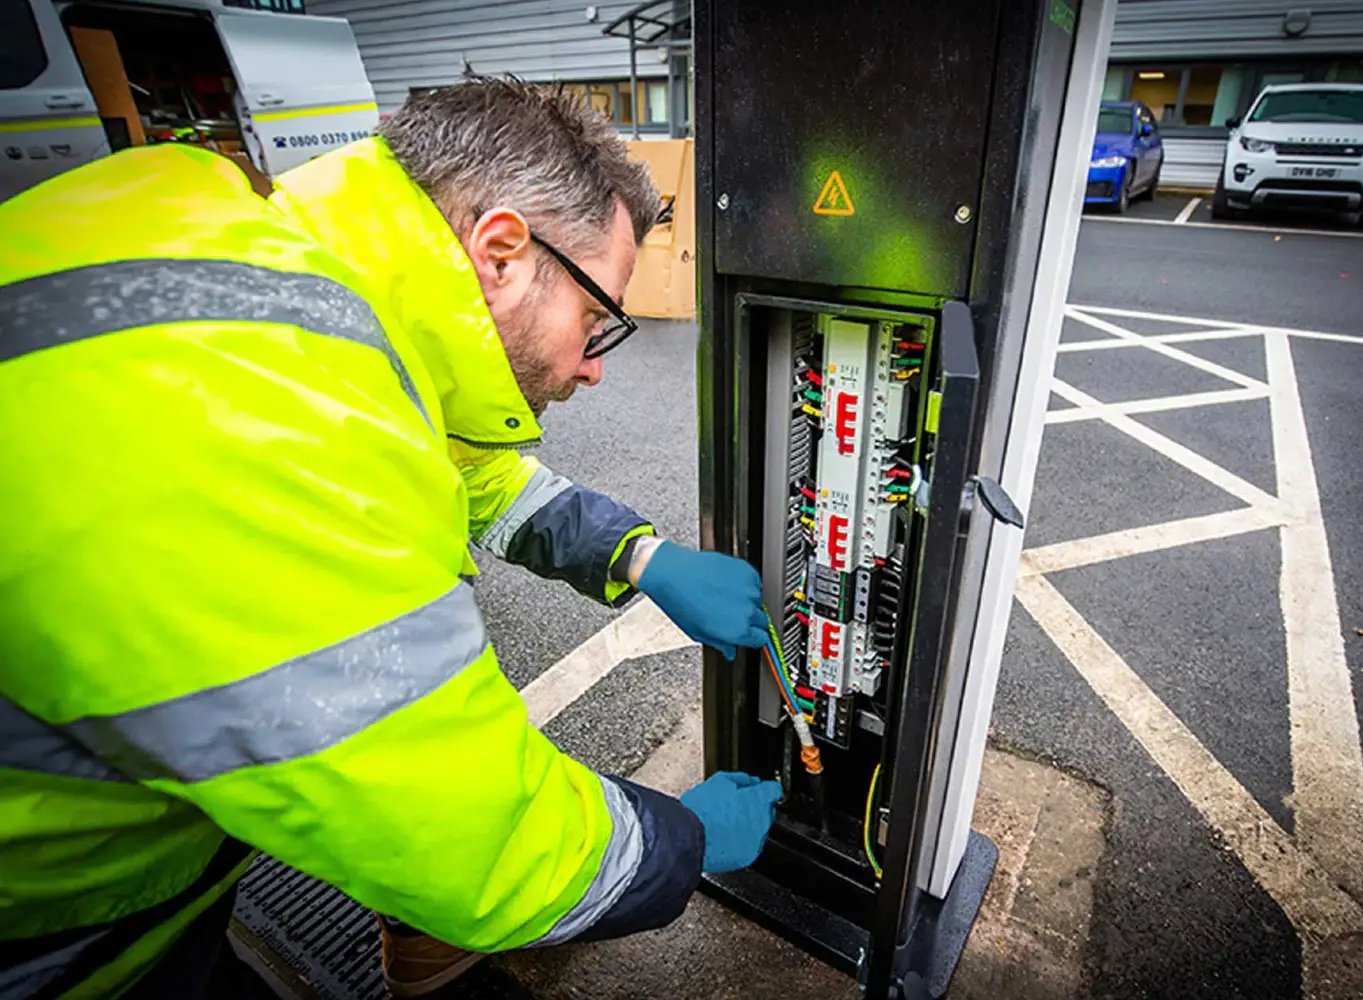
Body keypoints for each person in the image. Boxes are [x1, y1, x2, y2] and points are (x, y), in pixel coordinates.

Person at [0, 78, 783, 999]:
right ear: (501, 252)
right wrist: (683, 840)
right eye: (599, 319)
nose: (593, 365)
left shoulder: (263, 271)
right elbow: (477, 843)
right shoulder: (271, 417)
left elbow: (467, 473)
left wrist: (641, 555)